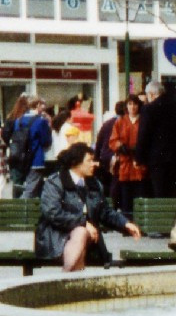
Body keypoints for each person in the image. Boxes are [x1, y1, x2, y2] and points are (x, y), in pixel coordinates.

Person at [36, 141, 142, 271]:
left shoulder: (94, 184)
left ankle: (65, 279)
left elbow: (105, 212)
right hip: (55, 239)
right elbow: (53, 213)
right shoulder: (56, 182)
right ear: (76, 163)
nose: (94, 164)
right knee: (81, 232)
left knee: (81, 233)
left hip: (89, 239)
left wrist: (125, 223)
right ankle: (68, 278)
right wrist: (83, 223)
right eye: (90, 161)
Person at [135, 79, 176, 198]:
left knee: (159, 193)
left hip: (157, 159)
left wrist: (139, 158)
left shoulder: (149, 109)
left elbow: (143, 135)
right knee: (174, 193)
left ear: (151, 94)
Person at [110, 95, 148, 213]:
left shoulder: (143, 120)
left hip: (139, 164)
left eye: (135, 104)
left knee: (140, 196)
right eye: (130, 104)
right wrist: (120, 146)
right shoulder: (120, 121)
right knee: (126, 198)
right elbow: (113, 140)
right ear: (126, 106)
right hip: (125, 165)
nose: (133, 107)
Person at [16, 98, 54, 198]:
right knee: (31, 188)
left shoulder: (19, 120)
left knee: (32, 187)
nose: (44, 108)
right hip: (36, 158)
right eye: (42, 105)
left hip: (21, 158)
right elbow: (46, 141)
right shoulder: (40, 121)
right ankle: (19, 210)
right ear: (37, 105)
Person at [95, 98, 125, 189]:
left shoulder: (107, 123)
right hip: (117, 156)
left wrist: (96, 157)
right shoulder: (124, 123)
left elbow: (99, 141)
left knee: (107, 183)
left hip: (105, 156)